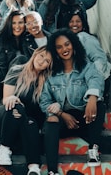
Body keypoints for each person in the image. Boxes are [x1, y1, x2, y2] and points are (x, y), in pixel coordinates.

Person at [40, 28, 106, 175]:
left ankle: (93, 149)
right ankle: (52, 171)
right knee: (50, 119)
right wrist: (62, 114)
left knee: (99, 104)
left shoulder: (86, 66)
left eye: (67, 44)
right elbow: (44, 101)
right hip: (63, 122)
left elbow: (96, 79)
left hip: (86, 119)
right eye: (59, 47)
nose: (64, 49)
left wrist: (92, 98)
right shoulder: (51, 74)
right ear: (55, 51)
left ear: (74, 44)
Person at [0, 46, 52, 175]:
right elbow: (6, 99)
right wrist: (12, 98)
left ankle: (34, 168)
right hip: (4, 117)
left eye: (46, 60)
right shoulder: (17, 70)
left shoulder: (46, 80)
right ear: (35, 54)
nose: (41, 61)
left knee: (31, 123)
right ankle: (4, 147)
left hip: (24, 123)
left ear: (48, 66)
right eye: (41, 56)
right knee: (16, 106)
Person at [68, 8, 111, 107]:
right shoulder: (69, 39)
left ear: (83, 24)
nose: (75, 24)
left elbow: (100, 60)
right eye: (71, 21)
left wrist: (94, 81)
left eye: (78, 21)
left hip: (102, 79)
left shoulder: (84, 37)